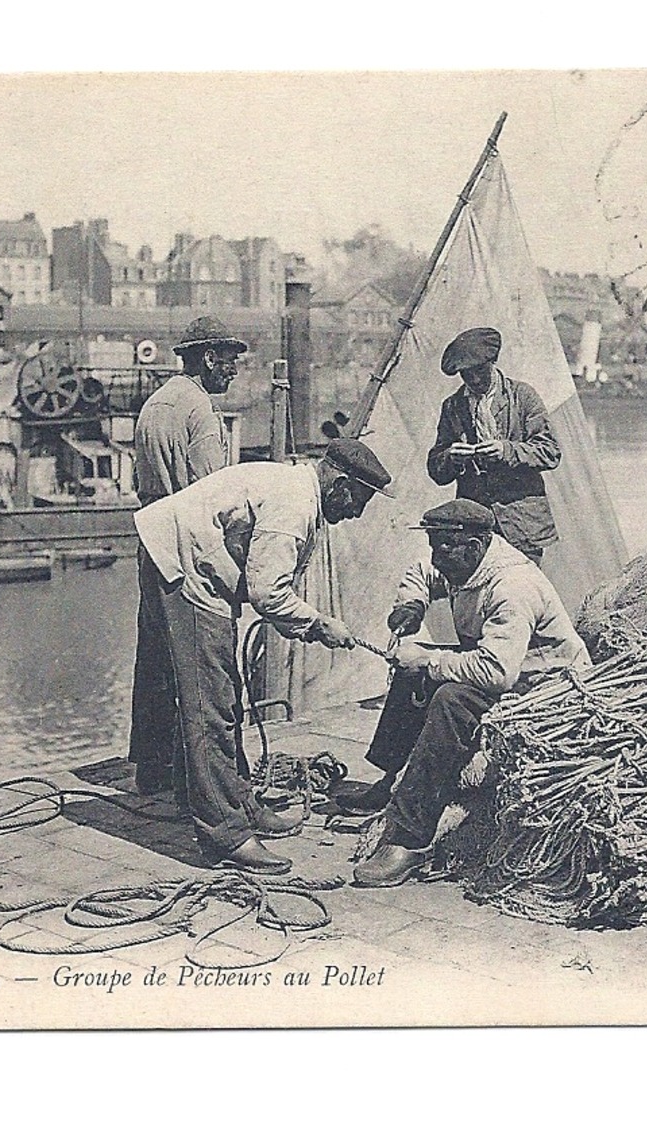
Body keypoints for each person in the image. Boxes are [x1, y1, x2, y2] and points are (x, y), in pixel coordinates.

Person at [134, 439, 394, 875]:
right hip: (186, 566)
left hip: (175, 549)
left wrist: (306, 623)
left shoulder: (298, 489)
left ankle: (232, 802)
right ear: (342, 486)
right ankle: (226, 835)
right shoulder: (295, 504)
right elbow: (268, 593)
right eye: (360, 501)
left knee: (215, 694)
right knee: (211, 704)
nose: (356, 513)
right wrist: (318, 624)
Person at [342, 498, 590, 888]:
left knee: (450, 700)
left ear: (474, 547)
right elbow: (421, 573)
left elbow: (496, 672)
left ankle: (409, 838)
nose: (434, 557)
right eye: (433, 546)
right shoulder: (463, 561)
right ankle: (389, 781)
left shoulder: (512, 585)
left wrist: (427, 660)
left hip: (544, 684)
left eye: (442, 548)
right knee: (412, 672)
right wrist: (412, 604)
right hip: (506, 666)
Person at [128, 317, 246, 796]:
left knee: (155, 662)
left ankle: (153, 770)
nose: (234, 372)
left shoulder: (154, 405)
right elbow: (212, 496)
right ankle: (213, 790)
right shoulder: (200, 411)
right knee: (205, 675)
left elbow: (140, 484)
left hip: (151, 546)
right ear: (209, 359)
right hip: (189, 556)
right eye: (231, 362)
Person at [426, 327, 562, 565]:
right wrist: (451, 458)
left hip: (522, 526)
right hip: (473, 532)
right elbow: (436, 470)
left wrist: (506, 450)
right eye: (466, 375)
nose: (474, 380)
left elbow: (550, 452)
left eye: (479, 371)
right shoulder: (453, 406)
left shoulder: (522, 396)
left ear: (492, 362)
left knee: (520, 594)